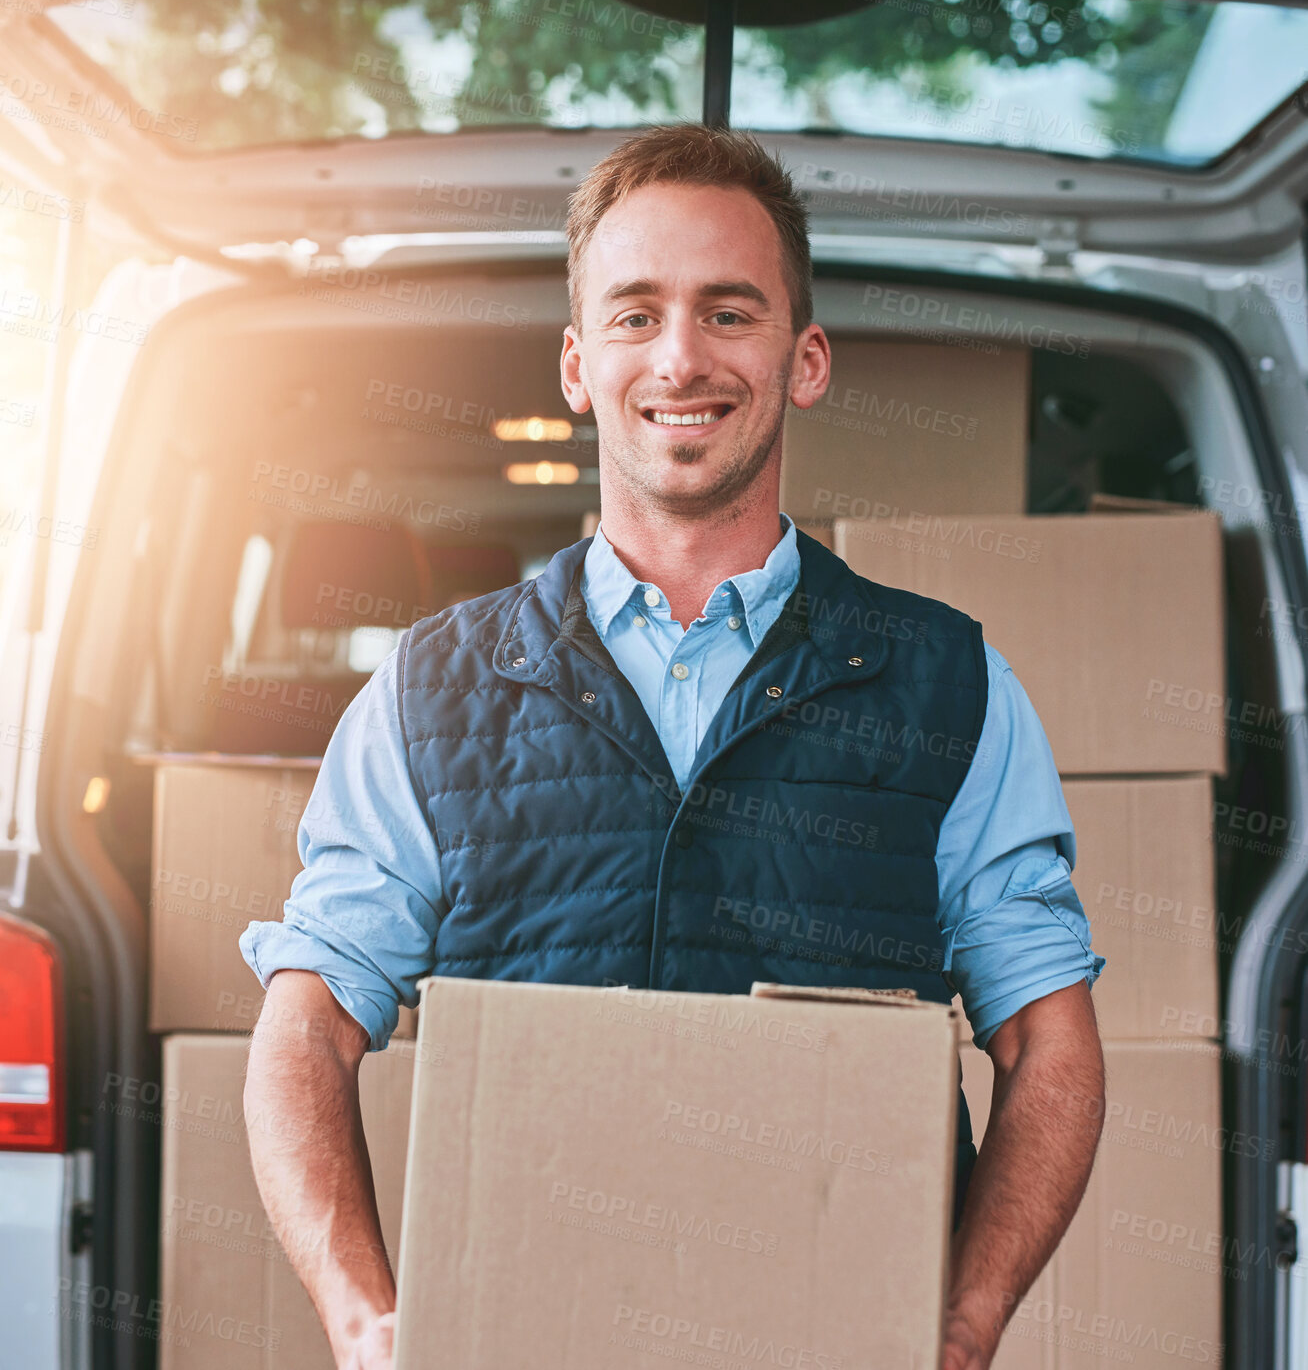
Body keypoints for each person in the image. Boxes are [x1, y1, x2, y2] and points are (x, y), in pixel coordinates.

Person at [240, 123, 1106, 1370]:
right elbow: (306, 1023)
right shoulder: (432, 689)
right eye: (635, 315)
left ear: (805, 360)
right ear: (579, 366)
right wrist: (363, 1318)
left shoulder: (946, 684)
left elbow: (1049, 1042)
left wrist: (962, 1330)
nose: (682, 358)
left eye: (730, 312)